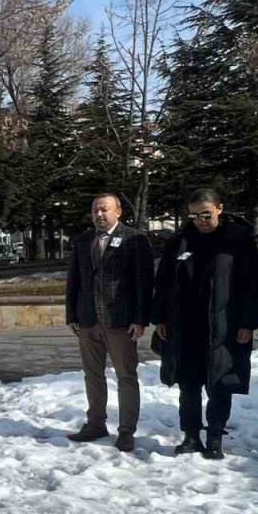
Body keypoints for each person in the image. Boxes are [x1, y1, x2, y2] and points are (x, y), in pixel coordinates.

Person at [152, 189, 258, 460]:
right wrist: (160, 318)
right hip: (184, 325)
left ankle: (214, 435)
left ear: (219, 209)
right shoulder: (179, 241)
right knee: (188, 383)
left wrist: (248, 322)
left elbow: (252, 283)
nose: (200, 220)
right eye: (194, 215)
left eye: (206, 214)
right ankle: (190, 436)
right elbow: (163, 282)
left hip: (224, 325)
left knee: (220, 382)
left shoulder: (238, 240)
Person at [65, 193, 154, 452]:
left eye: (104, 210)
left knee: (126, 376)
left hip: (120, 321)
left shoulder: (134, 239)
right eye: (95, 210)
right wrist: (72, 314)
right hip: (88, 320)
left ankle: (126, 430)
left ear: (118, 212)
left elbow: (144, 282)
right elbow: (74, 281)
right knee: (92, 374)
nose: (99, 215)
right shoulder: (83, 241)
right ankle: (95, 424)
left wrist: (140, 319)